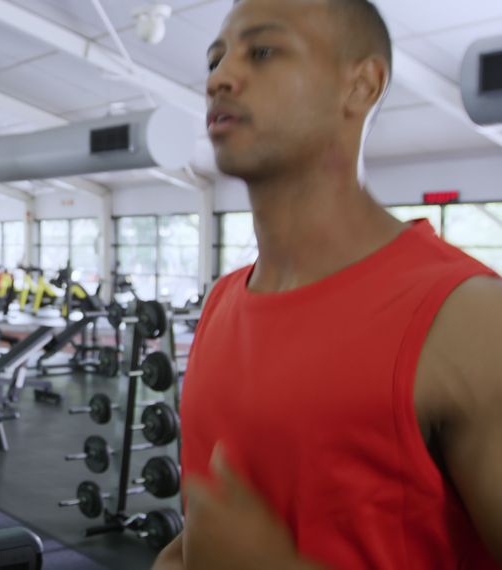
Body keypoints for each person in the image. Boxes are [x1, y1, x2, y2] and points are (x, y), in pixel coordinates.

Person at [155, 0, 502, 568]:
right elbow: (209, 538)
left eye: (262, 52)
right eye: (215, 59)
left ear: (361, 85)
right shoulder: (222, 303)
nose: (220, 77)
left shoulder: (470, 320)